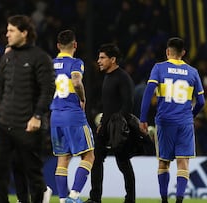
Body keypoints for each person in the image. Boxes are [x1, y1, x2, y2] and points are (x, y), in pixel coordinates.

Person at [0, 15, 55, 203]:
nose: (6, 34)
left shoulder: (40, 58)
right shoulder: (7, 58)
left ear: (24, 33)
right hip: (4, 124)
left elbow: (48, 89)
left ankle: (40, 194)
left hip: (28, 125)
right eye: (7, 30)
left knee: (32, 174)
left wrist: (37, 116)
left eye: (11, 30)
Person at [139, 37, 205, 203]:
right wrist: (191, 115)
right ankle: (179, 201)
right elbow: (202, 102)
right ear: (183, 53)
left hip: (164, 121)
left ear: (167, 52)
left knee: (163, 163)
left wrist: (143, 118)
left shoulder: (159, 68)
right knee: (183, 164)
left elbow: (148, 93)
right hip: (184, 122)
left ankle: (164, 200)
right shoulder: (193, 72)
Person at [86, 43, 135, 203]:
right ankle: (95, 198)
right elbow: (109, 105)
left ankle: (130, 199)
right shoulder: (107, 76)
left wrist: (117, 125)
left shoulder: (123, 77)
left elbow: (128, 104)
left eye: (102, 58)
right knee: (96, 160)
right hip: (105, 127)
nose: (98, 61)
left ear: (112, 59)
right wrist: (103, 122)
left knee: (123, 163)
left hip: (118, 128)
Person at [50, 30, 95, 203]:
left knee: (63, 159)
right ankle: (74, 196)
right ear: (75, 45)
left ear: (57, 46)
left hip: (56, 116)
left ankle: (62, 200)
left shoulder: (50, 64)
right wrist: (82, 98)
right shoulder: (76, 63)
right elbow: (76, 81)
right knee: (89, 155)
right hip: (72, 114)